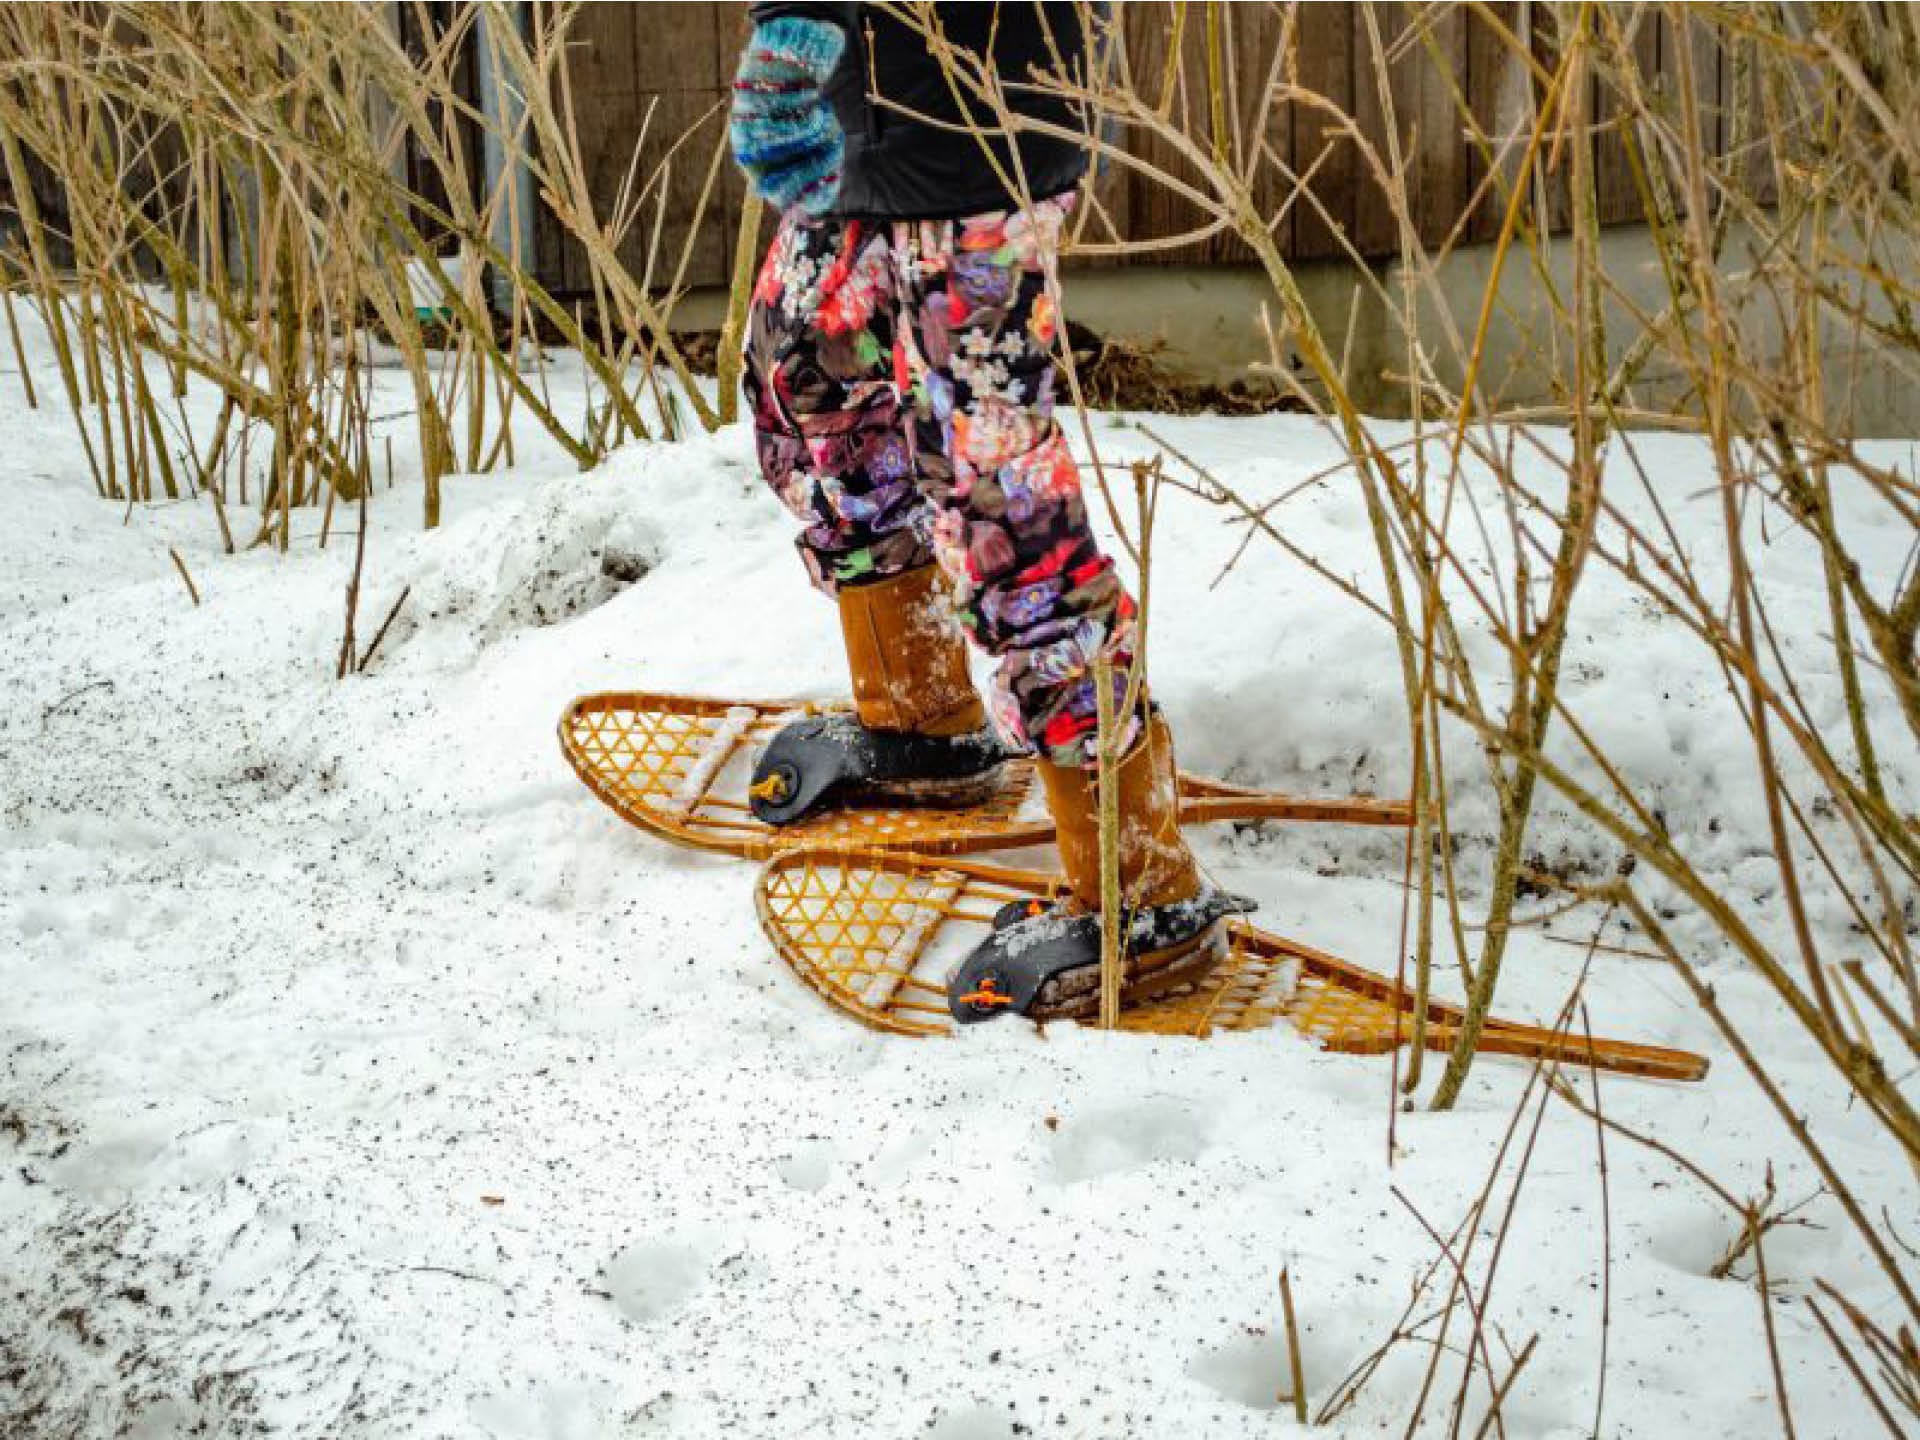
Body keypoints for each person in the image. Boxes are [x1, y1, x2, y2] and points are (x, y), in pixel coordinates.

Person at [728, 2, 1244, 1023]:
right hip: (863, 123)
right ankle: (921, 720)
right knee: (804, 374)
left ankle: (1138, 886)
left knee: (1002, 509)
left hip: (976, 124)